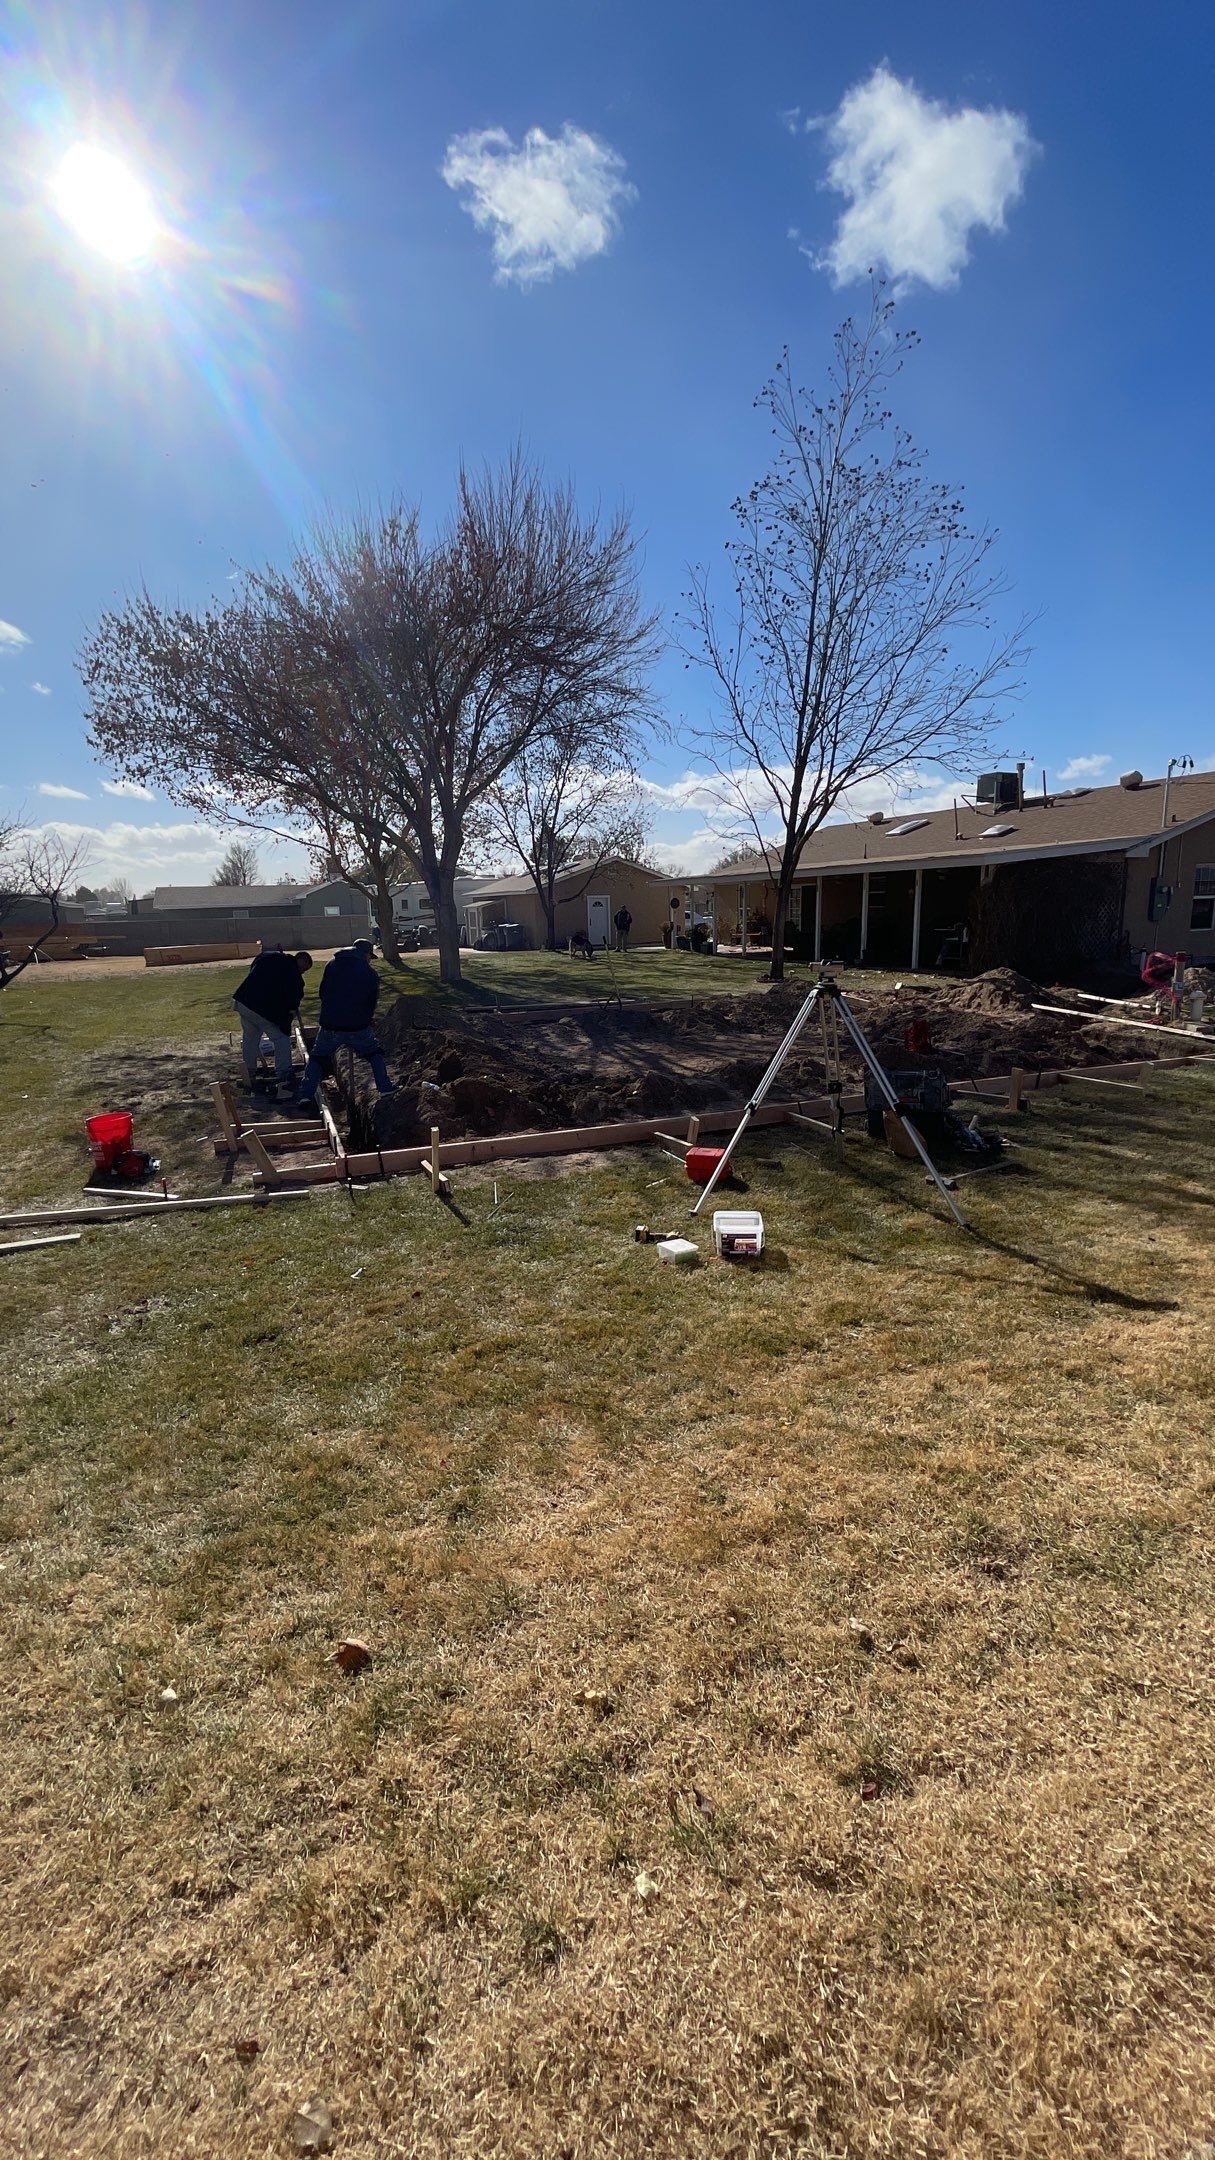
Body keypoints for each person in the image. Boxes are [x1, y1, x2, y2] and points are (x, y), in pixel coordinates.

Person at [296, 938, 393, 1105]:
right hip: (357, 1026)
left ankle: (306, 1094)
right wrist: (366, 1019)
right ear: (365, 955)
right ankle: (385, 1089)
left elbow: (323, 992)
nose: (370, 960)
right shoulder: (369, 973)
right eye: (370, 956)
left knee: (317, 1058)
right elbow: (371, 1002)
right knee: (374, 1054)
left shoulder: (331, 965)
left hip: (330, 1024)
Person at [232, 948, 312, 1095]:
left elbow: (254, 967)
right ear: (302, 964)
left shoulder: (269, 957)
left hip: (244, 1002)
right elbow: (291, 1007)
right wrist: (285, 1026)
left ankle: (249, 1072)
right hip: (262, 1010)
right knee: (281, 1039)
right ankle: (283, 1073)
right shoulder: (295, 979)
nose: (303, 973)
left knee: (250, 1038)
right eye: (304, 970)